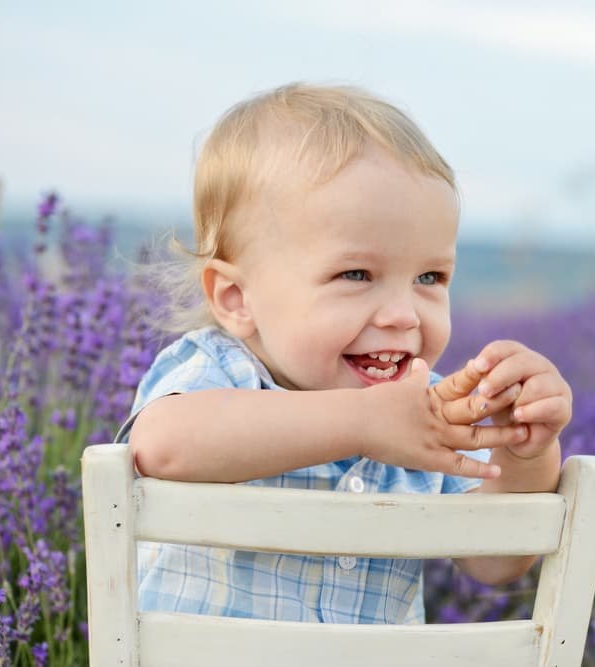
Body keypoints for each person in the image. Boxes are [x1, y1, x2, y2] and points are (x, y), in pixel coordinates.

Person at [121, 82, 571, 624]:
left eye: (430, 276)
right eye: (356, 274)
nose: (403, 314)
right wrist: (363, 423)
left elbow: (495, 561)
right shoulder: (220, 371)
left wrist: (523, 455)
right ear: (237, 299)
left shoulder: (425, 409)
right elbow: (162, 446)